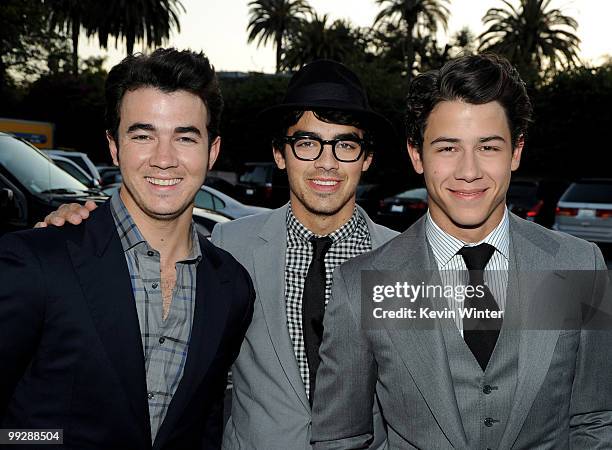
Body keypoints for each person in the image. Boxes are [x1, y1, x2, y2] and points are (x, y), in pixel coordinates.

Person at [38, 59, 398, 450]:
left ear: (367, 157)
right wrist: (79, 224)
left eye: (345, 144)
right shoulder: (228, 247)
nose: (325, 162)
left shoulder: (408, 263)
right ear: (280, 153)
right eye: (307, 143)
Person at [311, 53, 612, 449]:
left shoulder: (577, 267)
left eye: (488, 147)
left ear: (516, 152)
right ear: (417, 155)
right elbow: (341, 438)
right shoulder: (362, 286)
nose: (468, 171)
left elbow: (595, 422)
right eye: (448, 148)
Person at [0, 48, 254, 450]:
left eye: (185, 137)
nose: (164, 159)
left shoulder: (232, 288)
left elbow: (205, 424)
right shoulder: (36, 262)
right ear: (114, 147)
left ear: (213, 150)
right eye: (142, 135)